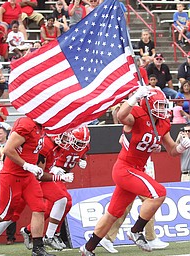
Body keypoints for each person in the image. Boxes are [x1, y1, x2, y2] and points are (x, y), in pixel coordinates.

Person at [80, 87, 190, 256]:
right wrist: (134, 98)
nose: (162, 109)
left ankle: (88, 248)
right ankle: (136, 231)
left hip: (137, 169)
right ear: (147, 104)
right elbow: (122, 116)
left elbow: (172, 151)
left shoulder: (162, 123)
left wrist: (181, 147)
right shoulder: (137, 114)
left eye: (163, 105)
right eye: (158, 105)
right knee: (158, 193)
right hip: (125, 167)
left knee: (113, 213)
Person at [0, 117, 55, 256]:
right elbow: (8, 149)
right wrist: (26, 164)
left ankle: (38, 248)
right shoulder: (26, 124)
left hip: (27, 176)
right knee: (5, 214)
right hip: (13, 175)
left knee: (39, 208)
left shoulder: (40, 127)